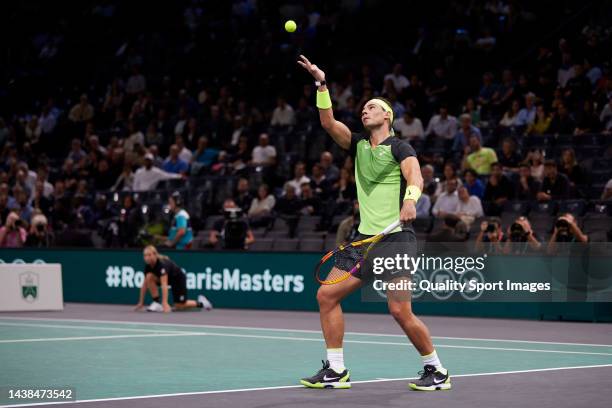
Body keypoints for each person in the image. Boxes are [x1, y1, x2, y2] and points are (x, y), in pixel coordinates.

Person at [298, 55, 450, 391]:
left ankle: (436, 370)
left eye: (372, 107)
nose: (365, 110)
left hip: (396, 239)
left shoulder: (400, 146)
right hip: (364, 240)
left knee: (399, 310)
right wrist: (321, 83)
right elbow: (328, 123)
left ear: (387, 116)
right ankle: (336, 370)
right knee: (327, 296)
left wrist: (410, 199)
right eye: (364, 108)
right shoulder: (358, 146)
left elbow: (415, 175)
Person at [135, 245, 212, 313]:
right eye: (145, 256)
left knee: (180, 305)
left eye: (149, 255)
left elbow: (164, 285)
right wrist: (141, 302)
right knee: (149, 277)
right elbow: (144, 285)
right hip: (168, 279)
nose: (147, 258)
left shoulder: (161, 265)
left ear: (155, 255)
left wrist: (165, 303)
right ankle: (156, 303)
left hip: (178, 279)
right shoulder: (148, 266)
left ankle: (202, 303)